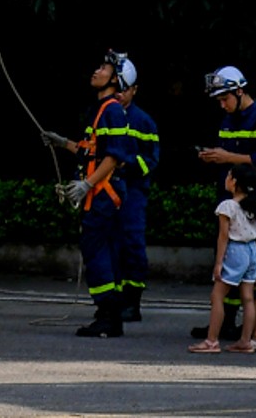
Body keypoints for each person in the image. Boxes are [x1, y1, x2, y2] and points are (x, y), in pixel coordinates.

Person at [46, 50, 138, 338]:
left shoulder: (111, 110)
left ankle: (109, 314)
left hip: (103, 195)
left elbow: (114, 156)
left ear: (116, 79)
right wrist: (63, 143)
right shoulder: (100, 109)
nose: (96, 71)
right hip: (100, 194)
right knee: (101, 251)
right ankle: (108, 313)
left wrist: (88, 184)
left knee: (96, 251)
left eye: (103, 68)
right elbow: (93, 150)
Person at [195, 66, 256, 340]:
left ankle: (251, 329)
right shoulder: (228, 120)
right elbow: (228, 155)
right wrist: (213, 157)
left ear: (240, 91)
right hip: (230, 198)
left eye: (225, 99)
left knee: (247, 266)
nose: (222, 105)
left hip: (253, 202)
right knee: (231, 261)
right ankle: (227, 322)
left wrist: (228, 158)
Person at [189, 165, 256, 354]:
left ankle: (211, 340)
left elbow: (223, 236)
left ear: (235, 182)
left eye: (229, 176)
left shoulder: (227, 206)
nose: (226, 178)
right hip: (253, 251)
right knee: (248, 298)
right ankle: (246, 340)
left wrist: (218, 262)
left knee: (217, 296)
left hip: (235, 250)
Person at [118, 81, 160, 322]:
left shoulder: (143, 121)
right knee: (109, 245)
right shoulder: (104, 115)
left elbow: (151, 160)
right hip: (106, 190)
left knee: (132, 244)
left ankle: (132, 302)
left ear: (135, 89)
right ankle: (112, 302)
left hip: (132, 191)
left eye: (125, 89)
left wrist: (127, 164)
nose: (120, 93)